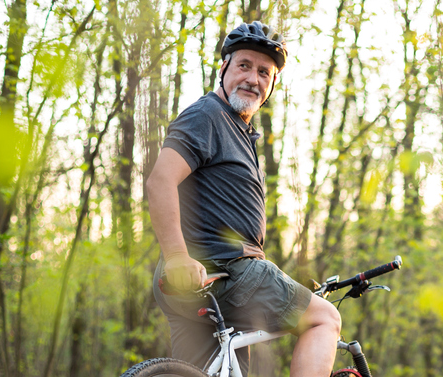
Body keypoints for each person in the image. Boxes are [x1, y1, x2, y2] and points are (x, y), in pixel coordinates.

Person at [146, 21, 341, 376]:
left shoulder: (239, 129)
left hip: (203, 279)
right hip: (226, 269)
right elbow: (160, 182)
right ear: (224, 68)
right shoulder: (207, 116)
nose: (253, 78)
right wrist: (176, 256)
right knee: (324, 319)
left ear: (272, 84)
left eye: (263, 72)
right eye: (244, 66)